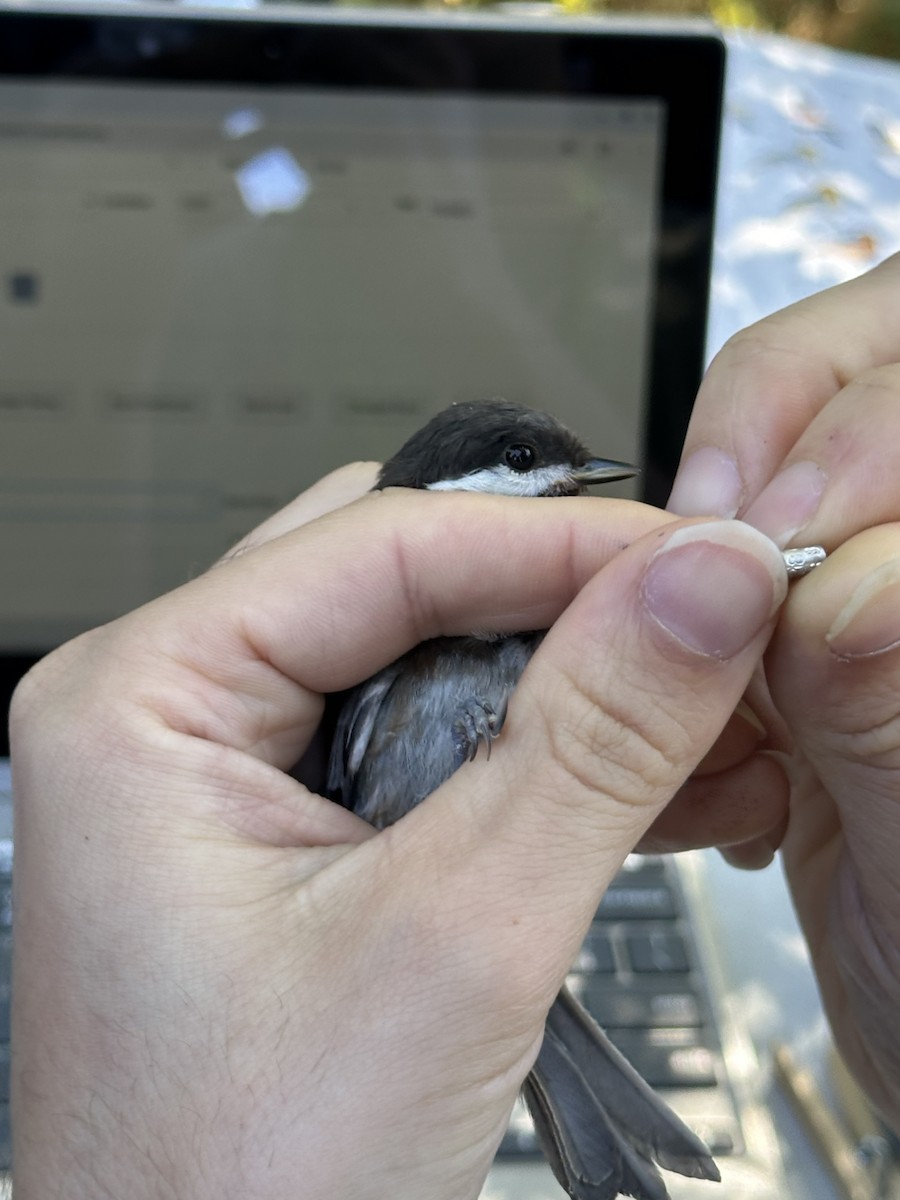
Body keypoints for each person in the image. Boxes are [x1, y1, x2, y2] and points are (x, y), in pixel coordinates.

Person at [9, 251, 900, 1199]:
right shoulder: (379, 635)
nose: (568, 476)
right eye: (526, 463)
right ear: (456, 485)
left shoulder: (471, 594)